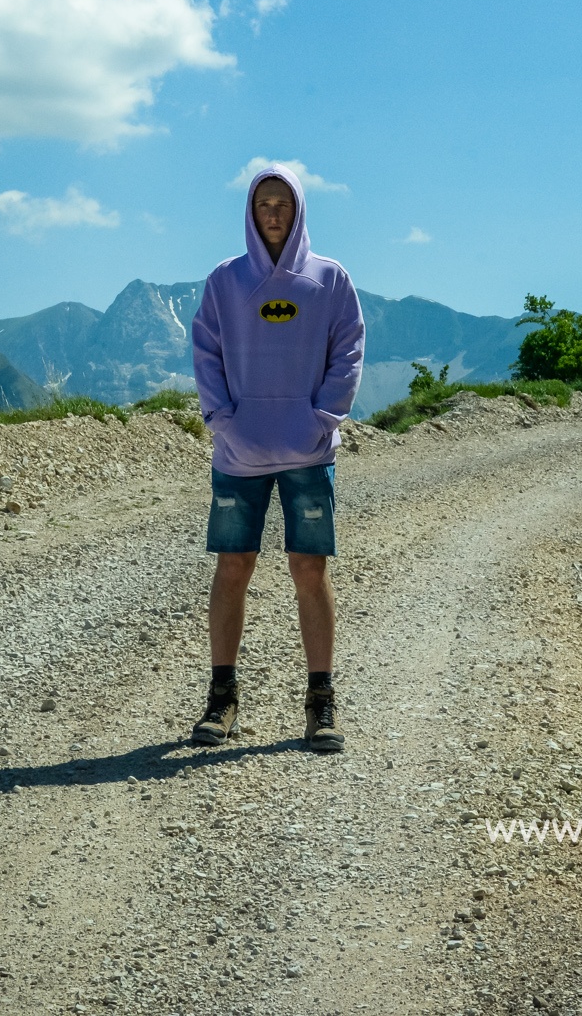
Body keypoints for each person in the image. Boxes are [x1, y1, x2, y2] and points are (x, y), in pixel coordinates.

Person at [189, 163, 364, 752]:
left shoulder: (329, 280)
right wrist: (220, 420)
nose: (273, 213)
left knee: (309, 570)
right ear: (250, 211)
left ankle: (321, 704)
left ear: (298, 210)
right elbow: (206, 353)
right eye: (263, 204)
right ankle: (222, 700)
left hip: (308, 452)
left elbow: (349, 351)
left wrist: (322, 419)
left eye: (282, 204)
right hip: (238, 452)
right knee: (233, 566)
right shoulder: (225, 281)